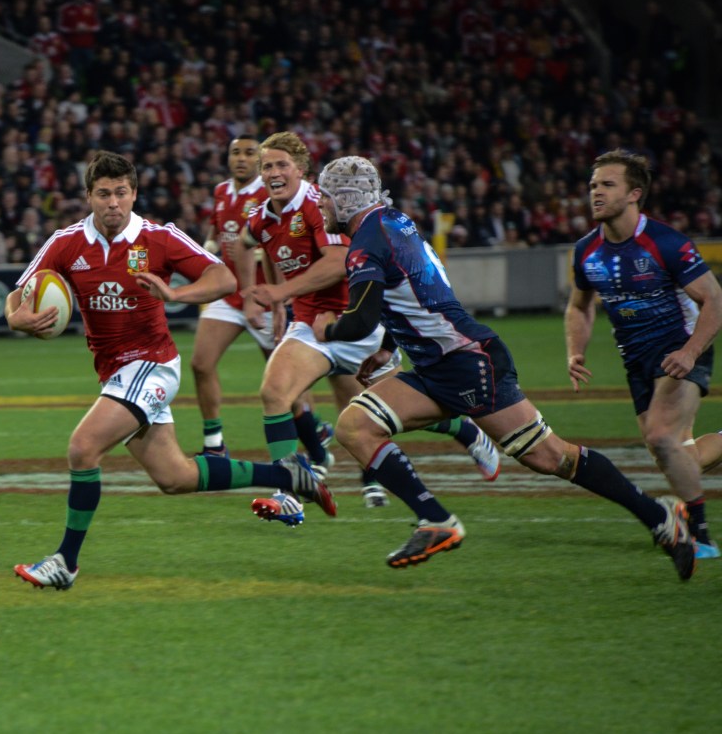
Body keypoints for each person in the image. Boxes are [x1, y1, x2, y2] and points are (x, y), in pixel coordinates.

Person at [309, 154, 696, 580]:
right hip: (442, 363)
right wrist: (387, 347)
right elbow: (419, 293)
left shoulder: (367, 242)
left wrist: (327, 329)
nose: (320, 205)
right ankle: (436, 521)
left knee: (552, 458)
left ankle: (660, 518)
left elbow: (360, 318)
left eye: (324, 197)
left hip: (466, 363)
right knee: (354, 426)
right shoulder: (393, 222)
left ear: (345, 199)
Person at [4, 151, 331, 591]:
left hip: (152, 365)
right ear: (89, 197)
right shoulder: (65, 243)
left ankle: (66, 561)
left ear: (134, 194)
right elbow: (20, 293)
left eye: (122, 193)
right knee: (175, 478)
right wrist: (14, 317)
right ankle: (289, 474)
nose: (113, 203)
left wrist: (176, 295)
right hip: (114, 373)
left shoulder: (159, 238)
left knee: (83, 448)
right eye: (103, 194)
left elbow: (223, 279)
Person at [241, 132, 500, 523]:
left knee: (400, 409)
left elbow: (336, 260)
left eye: (281, 165)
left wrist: (280, 291)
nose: (273, 172)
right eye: (267, 166)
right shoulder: (261, 216)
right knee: (274, 393)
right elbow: (255, 247)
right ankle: (289, 490)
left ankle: (467, 432)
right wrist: (267, 297)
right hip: (313, 328)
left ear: (301, 170)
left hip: (356, 322)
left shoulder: (316, 204)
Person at [565, 149, 722, 560]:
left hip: (680, 349)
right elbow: (580, 305)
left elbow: (714, 300)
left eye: (607, 185)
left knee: (659, 436)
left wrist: (691, 352)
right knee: (672, 453)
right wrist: (574, 352)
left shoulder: (666, 243)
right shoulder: (586, 251)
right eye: (593, 185)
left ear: (634, 194)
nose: (596, 192)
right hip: (635, 358)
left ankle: (700, 536)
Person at [189, 134, 331, 463]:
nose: (241, 158)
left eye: (249, 153)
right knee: (200, 362)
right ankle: (214, 443)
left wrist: (279, 300)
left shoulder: (272, 192)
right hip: (231, 292)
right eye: (235, 152)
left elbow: (272, 248)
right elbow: (218, 232)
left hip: (267, 294)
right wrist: (206, 253)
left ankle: (314, 436)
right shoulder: (222, 191)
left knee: (288, 380)